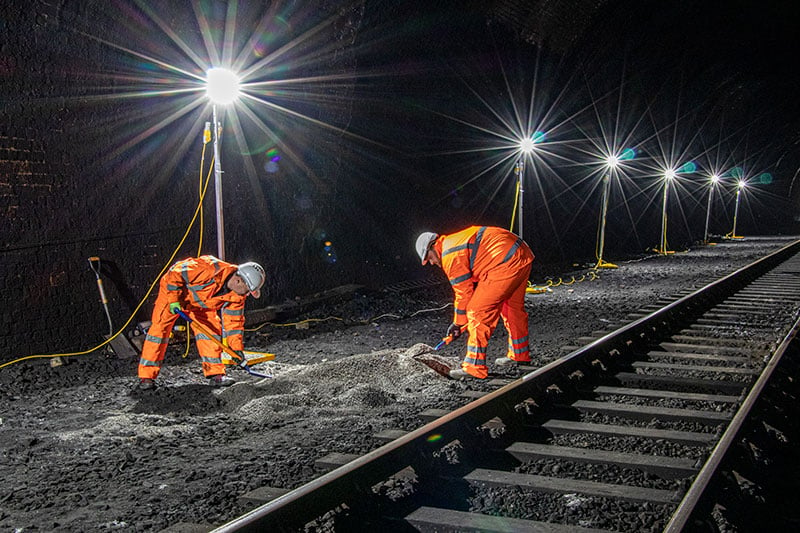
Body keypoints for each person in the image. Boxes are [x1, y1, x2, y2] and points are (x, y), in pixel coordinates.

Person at [416, 226, 534, 379]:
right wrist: (460, 324)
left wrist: (458, 323)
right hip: (521, 254)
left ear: (433, 246)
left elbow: (463, 294)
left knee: (476, 311)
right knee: (512, 309)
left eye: (429, 257)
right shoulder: (453, 242)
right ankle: (520, 355)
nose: (431, 262)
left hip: (504, 262)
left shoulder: (450, 255)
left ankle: (474, 368)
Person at [137, 255, 265, 389]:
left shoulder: (237, 296)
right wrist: (174, 299)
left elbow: (234, 324)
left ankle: (216, 374)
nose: (248, 294)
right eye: (248, 290)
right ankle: (147, 377)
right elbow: (175, 273)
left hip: (202, 305)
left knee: (211, 331)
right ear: (239, 281)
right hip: (173, 296)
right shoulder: (208, 267)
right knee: (158, 333)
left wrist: (236, 349)